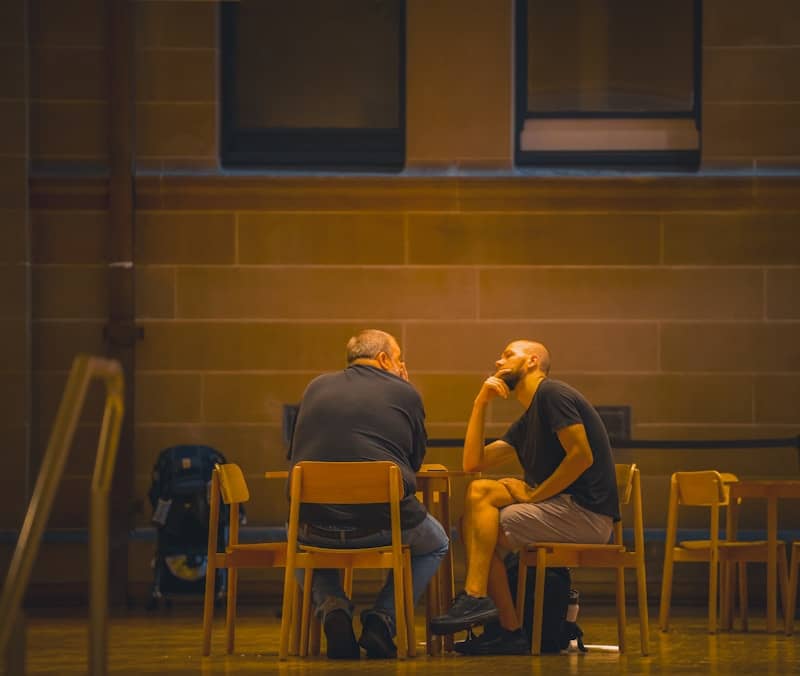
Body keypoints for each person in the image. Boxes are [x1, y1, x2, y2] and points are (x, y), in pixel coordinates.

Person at [430, 340, 619, 655]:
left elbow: (581, 456)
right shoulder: (530, 417)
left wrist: (534, 495)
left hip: (586, 515)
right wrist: (480, 403)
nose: (498, 361)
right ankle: (491, 613)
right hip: (560, 509)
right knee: (479, 496)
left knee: (478, 528)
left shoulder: (552, 394)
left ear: (532, 361)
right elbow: (472, 464)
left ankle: (495, 616)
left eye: (507, 355)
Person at [288, 329, 449, 659]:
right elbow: (414, 460)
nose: (402, 365)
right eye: (399, 358)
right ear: (384, 359)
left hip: (316, 526)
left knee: (292, 537)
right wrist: (404, 386)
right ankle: (382, 620)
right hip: (382, 525)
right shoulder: (405, 392)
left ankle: (333, 609)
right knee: (437, 543)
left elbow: (296, 450)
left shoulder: (314, 386)